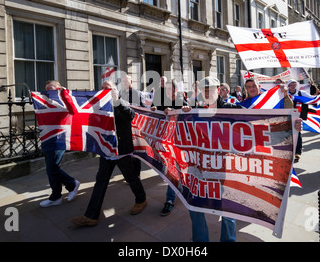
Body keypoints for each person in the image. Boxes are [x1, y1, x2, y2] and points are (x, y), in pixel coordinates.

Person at [71, 81, 147, 226]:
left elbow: (131, 116)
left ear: (115, 90)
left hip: (121, 149)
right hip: (106, 149)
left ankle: (141, 199)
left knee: (131, 177)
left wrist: (117, 100)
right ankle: (91, 216)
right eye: (103, 88)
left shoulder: (121, 102)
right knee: (101, 180)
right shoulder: (98, 105)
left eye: (109, 88)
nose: (106, 91)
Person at [180, 76, 242, 242]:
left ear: (219, 90)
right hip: (201, 167)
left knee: (228, 208)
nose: (208, 92)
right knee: (194, 205)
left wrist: (292, 124)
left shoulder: (232, 108)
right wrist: (177, 114)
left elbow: (262, 121)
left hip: (224, 167)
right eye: (204, 89)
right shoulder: (195, 110)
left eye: (211, 89)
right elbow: (179, 129)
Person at [151, 79, 188, 216]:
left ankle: (173, 198)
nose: (166, 91)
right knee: (171, 170)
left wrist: (177, 111)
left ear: (175, 89)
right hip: (167, 142)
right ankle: (170, 199)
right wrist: (154, 110)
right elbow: (155, 113)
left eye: (169, 88)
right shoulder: (162, 101)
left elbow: (188, 115)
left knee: (178, 170)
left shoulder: (182, 101)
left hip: (180, 142)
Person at [40, 80, 80, 207]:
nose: (48, 91)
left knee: (52, 167)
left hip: (59, 138)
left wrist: (65, 94)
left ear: (58, 88)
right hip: (47, 138)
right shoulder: (47, 100)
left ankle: (71, 184)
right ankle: (56, 195)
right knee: (50, 169)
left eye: (51, 89)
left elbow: (73, 110)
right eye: (47, 89)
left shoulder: (64, 99)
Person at [287, 79, 315, 163]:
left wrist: (319, 96)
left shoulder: (301, 93)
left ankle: (298, 153)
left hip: (298, 118)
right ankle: (290, 152)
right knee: (288, 135)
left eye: (294, 85)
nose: (292, 86)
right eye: (291, 85)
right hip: (287, 117)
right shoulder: (285, 94)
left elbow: (312, 99)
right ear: (288, 86)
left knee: (297, 134)